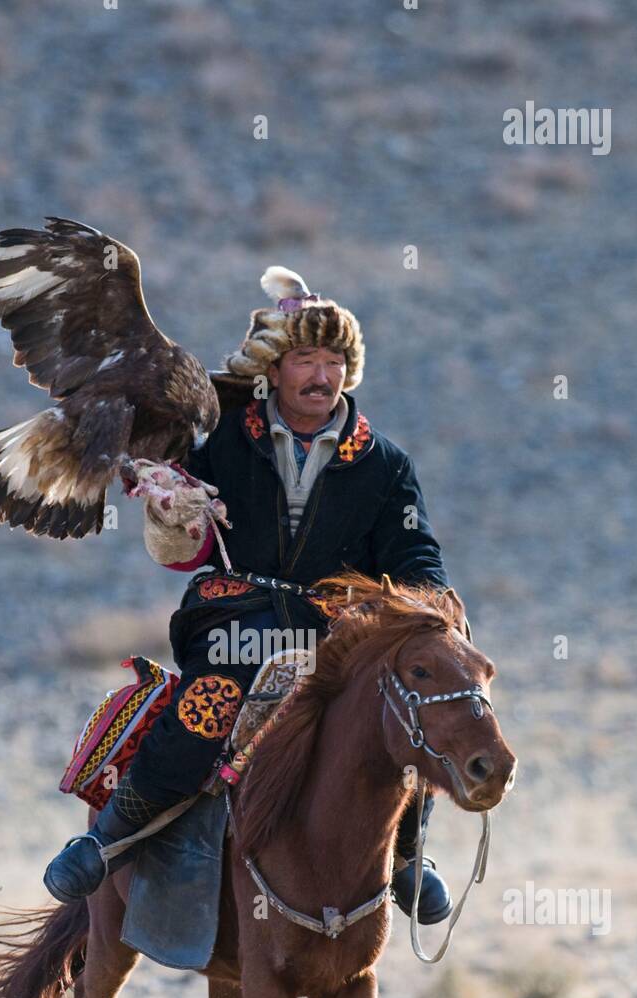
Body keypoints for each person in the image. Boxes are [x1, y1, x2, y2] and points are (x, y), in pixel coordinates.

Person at [44, 266, 466, 923]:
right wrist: (170, 511)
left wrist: (432, 603)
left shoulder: (384, 463)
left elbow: (413, 550)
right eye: (305, 359)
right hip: (234, 617)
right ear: (273, 368)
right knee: (207, 702)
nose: (321, 376)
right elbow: (187, 547)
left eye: (334, 361)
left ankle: (408, 854)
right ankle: (110, 838)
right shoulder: (220, 441)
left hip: (336, 630)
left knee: (404, 711)